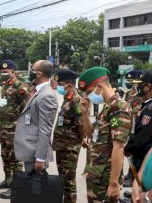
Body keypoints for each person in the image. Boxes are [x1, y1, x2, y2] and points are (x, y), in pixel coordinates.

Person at [79, 67, 132, 202]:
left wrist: (113, 183)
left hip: (105, 178)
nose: (89, 96)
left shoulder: (119, 108)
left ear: (99, 86)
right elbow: (93, 136)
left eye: (90, 92)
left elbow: (118, 147)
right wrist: (84, 113)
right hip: (96, 175)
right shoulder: (107, 107)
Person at [0, 60, 29, 199]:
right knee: (5, 156)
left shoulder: (20, 87)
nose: (3, 74)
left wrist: (22, 128)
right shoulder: (5, 86)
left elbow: (27, 109)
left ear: (13, 72)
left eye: (6, 72)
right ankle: (8, 180)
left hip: (15, 129)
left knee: (15, 159)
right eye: (2, 72)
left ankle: (16, 186)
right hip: (3, 128)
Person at [14, 60, 57, 172]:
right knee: (31, 185)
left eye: (33, 70)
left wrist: (40, 158)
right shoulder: (38, 91)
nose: (30, 72)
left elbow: (45, 129)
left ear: (39, 74)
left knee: (35, 186)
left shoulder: (47, 95)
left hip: (35, 151)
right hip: (29, 148)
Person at [52, 69, 85, 203]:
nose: (58, 86)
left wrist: (81, 140)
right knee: (63, 178)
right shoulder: (68, 98)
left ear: (69, 84)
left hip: (70, 148)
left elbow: (81, 125)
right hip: (62, 145)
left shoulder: (76, 100)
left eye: (60, 83)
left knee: (69, 181)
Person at [125, 70, 152, 175]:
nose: (138, 88)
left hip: (145, 163)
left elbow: (143, 137)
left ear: (148, 87)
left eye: (140, 85)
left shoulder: (150, 108)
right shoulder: (147, 106)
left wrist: (127, 148)